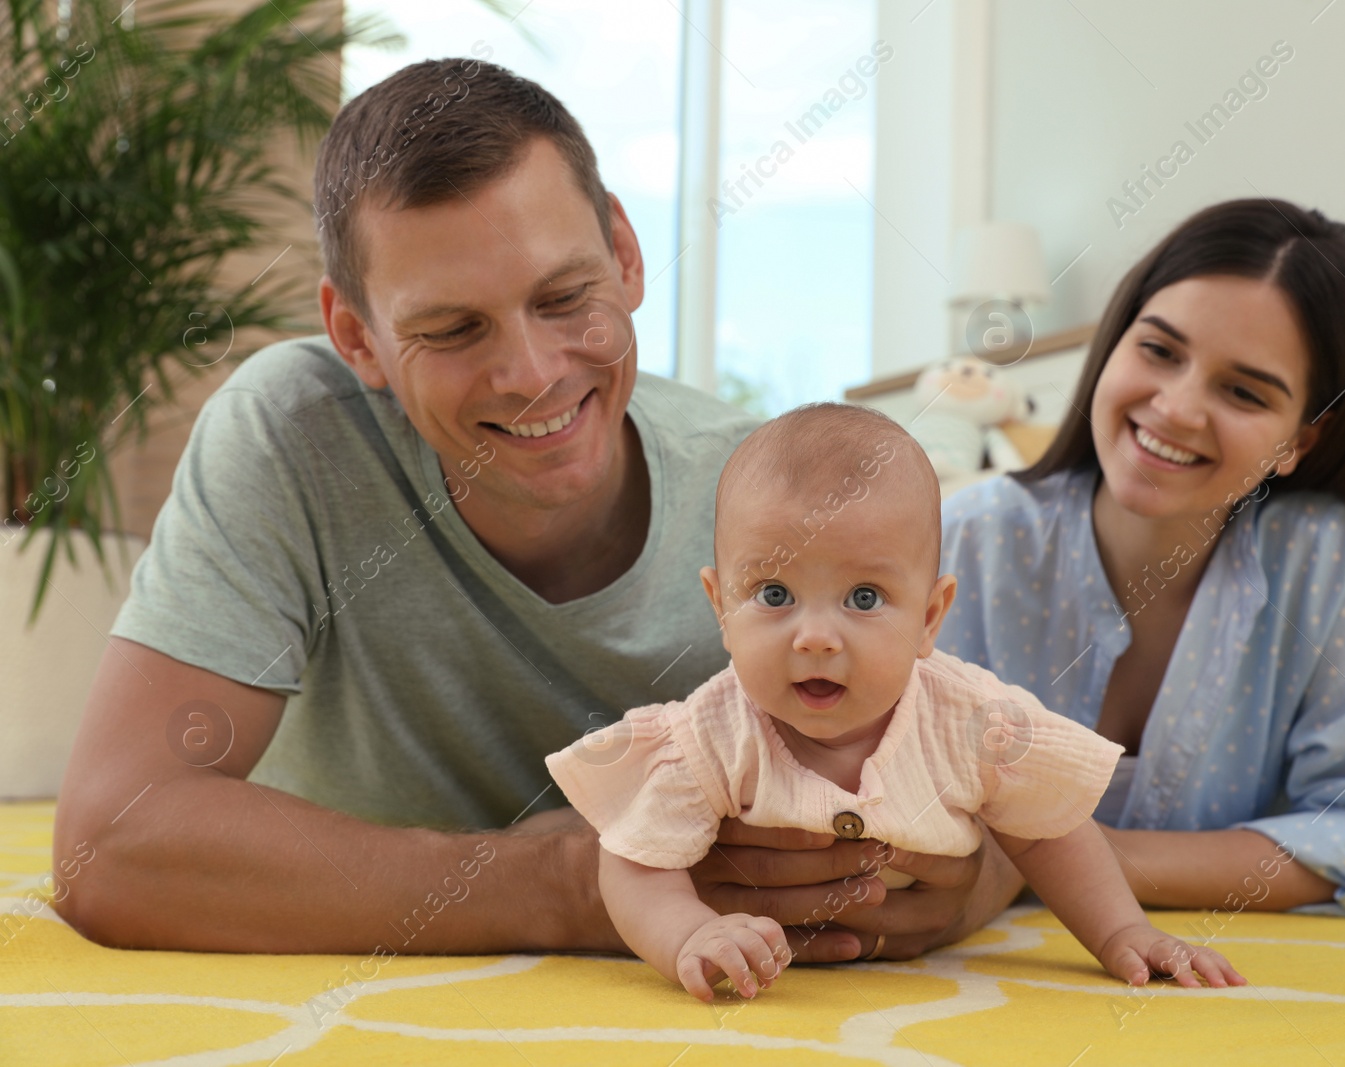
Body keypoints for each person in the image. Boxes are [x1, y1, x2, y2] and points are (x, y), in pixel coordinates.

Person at [51, 59, 1026, 961]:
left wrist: (970, 875)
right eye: (453, 328)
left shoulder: (770, 504)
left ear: (625, 254)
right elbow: (112, 842)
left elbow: (976, 779)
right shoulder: (291, 434)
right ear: (357, 334)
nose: (530, 375)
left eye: (565, 297)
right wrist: (571, 886)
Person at [546, 403, 1247, 1001]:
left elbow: (1049, 829)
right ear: (720, 606)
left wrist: (1123, 930)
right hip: (784, 998)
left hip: (926, 969)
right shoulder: (709, 733)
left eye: (864, 598)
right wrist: (688, 934)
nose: (816, 637)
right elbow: (638, 857)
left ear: (930, 616)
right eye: (774, 595)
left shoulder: (972, 721)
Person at [938, 199, 1345, 918]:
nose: (1177, 408)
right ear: (1115, 341)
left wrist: (1071, 860)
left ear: (1299, 442)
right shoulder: (965, 541)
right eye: (1158, 350)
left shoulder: (1334, 566)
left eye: (1244, 391)